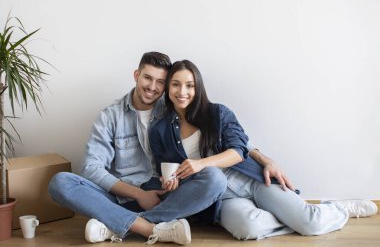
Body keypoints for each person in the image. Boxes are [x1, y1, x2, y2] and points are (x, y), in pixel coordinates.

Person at [149, 59, 378, 240]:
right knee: (248, 229)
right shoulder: (159, 130)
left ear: (198, 88)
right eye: (176, 84)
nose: (183, 92)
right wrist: (172, 183)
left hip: (253, 180)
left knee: (311, 224)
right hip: (223, 198)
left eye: (190, 85)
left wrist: (201, 163)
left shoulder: (218, 113)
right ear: (168, 88)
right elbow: (169, 171)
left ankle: (338, 209)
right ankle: (292, 217)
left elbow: (238, 150)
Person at [48, 52, 228, 245]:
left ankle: (115, 224)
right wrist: (139, 195)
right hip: (120, 197)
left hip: (167, 196)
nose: (152, 87)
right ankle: (149, 228)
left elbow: (225, 133)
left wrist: (258, 155)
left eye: (160, 82)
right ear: (136, 75)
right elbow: (91, 168)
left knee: (215, 179)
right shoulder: (110, 116)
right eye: (147, 78)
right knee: (61, 182)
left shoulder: (174, 108)